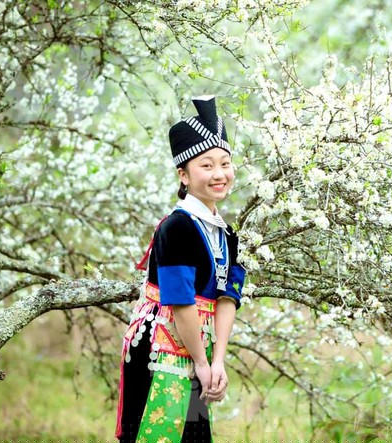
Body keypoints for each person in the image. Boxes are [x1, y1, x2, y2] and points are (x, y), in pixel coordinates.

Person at [115, 95, 246, 443]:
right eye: (207, 165)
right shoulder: (176, 227)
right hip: (160, 347)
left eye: (225, 164)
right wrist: (202, 364)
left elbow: (228, 298)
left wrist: (217, 362)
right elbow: (181, 301)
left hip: (198, 347)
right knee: (156, 434)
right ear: (183, 175)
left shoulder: (227, 234)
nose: (219, 174)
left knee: (194, 435)